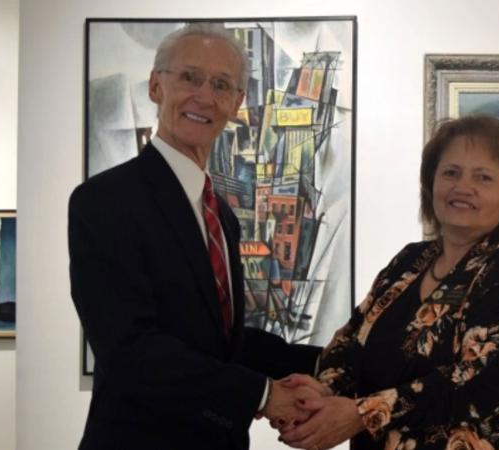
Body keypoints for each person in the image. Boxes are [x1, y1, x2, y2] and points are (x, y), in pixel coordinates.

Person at [68, 24, 322, 450]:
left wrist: (332, 359)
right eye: (189, 77)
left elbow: (222, 343)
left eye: (221, 84)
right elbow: (129, 350)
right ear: (155, 86)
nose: (204, 96)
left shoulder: (221, 215)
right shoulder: (104, 201)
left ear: (237, 103)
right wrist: (264, 394)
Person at [277, 115, 499, 450]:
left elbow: (493, 380)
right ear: (431, 183)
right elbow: (351, 345)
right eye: (451, 172)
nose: (462, 187)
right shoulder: (410, 261)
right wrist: (320, 395)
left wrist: (365, 412)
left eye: (482, 177)